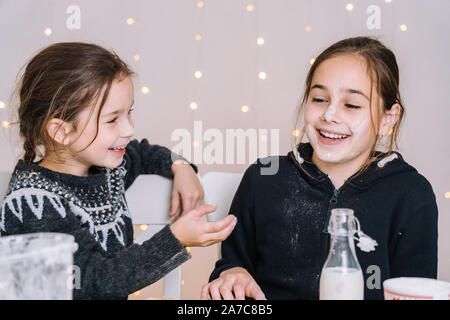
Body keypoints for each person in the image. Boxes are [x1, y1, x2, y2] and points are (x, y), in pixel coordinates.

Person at [202, 36, 438, 300]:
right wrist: (232, 274)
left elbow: (416, 290)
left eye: (351, 105)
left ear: (387, 119)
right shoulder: (263, 179)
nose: (329, 115)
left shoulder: (410, 194)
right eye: (318, 99)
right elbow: (232, 266)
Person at [0, 42, 237, 299]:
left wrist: (181, 166)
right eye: (112, 119)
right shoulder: (34, 202)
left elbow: (145, 152)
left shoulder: (108, 168)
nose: (128, 129)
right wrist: (175, 239)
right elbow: (93, 283)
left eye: (129, 113)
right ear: (61, 131)